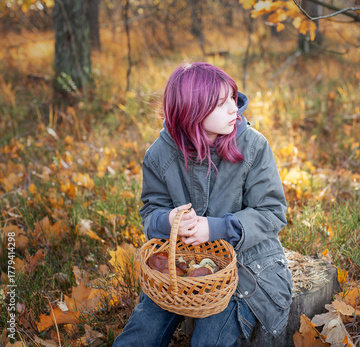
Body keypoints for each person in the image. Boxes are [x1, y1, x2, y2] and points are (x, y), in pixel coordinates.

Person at [113, 62, 292, 347]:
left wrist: (216, 228)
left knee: (209, 340)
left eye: (233, 97)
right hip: (180, 267)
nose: (235, 108)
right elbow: (150, 211)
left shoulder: (253, 146)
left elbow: (272, 213)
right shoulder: (160, 155)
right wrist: (167, 220)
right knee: (139, 336)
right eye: (222, 103)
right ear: (191, 111)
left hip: (246, 268)